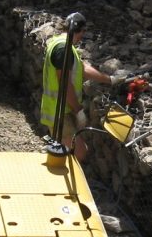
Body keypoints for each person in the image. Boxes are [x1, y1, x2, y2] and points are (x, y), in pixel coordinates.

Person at [39, 13, 112, 161]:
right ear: (81, 31)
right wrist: (78, 110)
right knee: (79, 152)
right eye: (83, 33)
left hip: (61, 110)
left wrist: (110, 80)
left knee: (66, 151)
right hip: (59, 112)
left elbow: (82, 68)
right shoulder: (62, 49)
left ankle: (60, 176)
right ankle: (62, 182)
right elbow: (64, 84)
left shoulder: (62, 45)